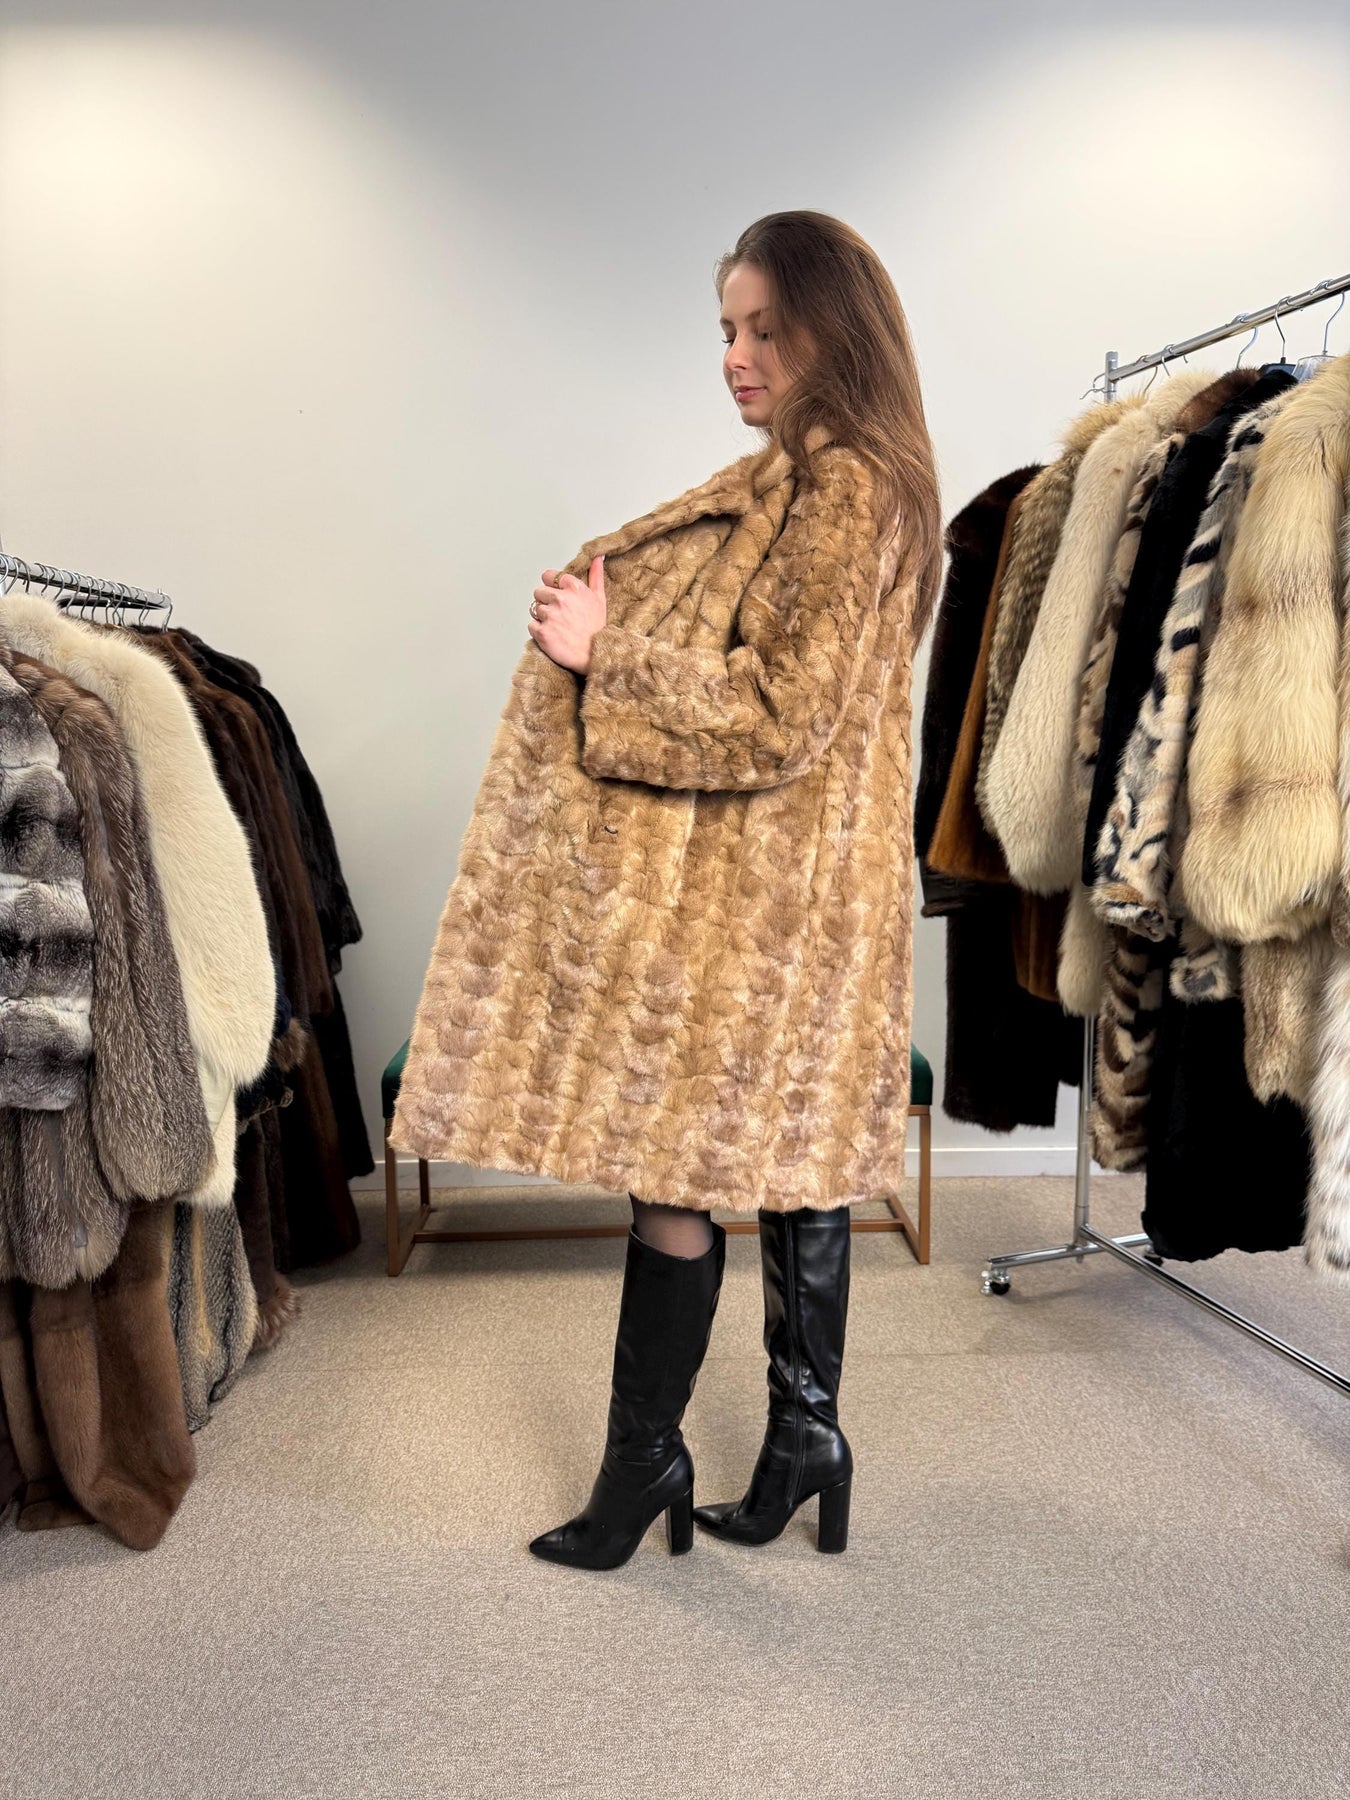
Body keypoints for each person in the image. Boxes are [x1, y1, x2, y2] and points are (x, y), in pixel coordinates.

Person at [390, 209, 941, 1571]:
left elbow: (779, 714)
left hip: (769, 912)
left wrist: (608, 655)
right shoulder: (846, 480)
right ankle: (801, 1440)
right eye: (727, 331)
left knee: (675, 1175)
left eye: (765, 329)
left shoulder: (841, 488)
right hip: (813, 902)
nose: (737, 357)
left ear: (833, 330)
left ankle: (645, 1467)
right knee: (794, 1164)